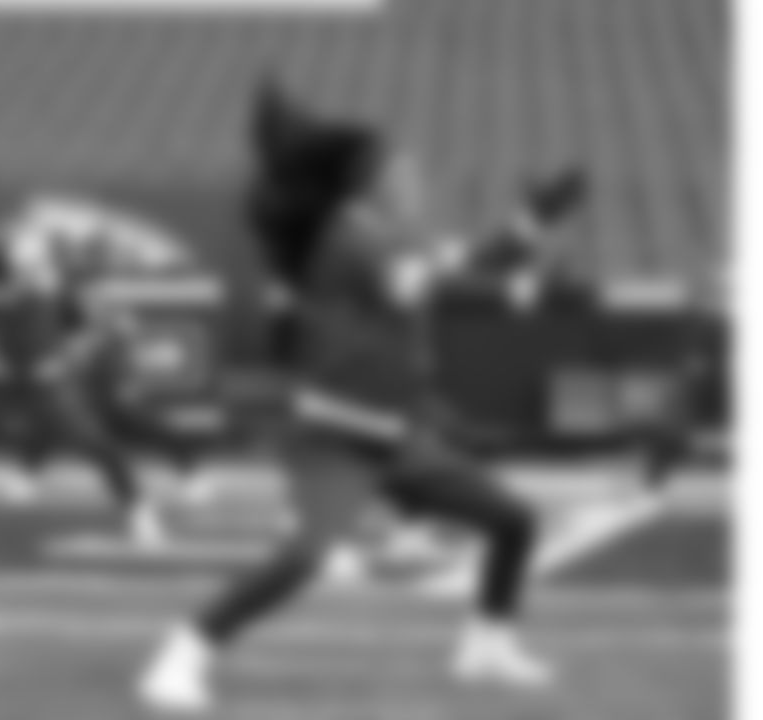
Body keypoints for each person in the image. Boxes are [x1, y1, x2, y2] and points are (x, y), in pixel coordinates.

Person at [137, 80, 553, 713]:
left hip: (394, 438)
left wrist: (524, 230)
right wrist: (513, 252)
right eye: (402, 168)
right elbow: (426, 283)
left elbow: (444, 265)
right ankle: (185, 649)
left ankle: (486, 646)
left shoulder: (381, 233)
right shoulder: (353, 232)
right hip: (336, 439)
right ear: (370, 182)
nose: (415, 178)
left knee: (514, 521)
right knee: (305, 557)